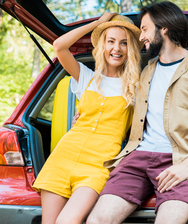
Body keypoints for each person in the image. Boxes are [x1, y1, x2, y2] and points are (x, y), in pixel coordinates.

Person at [87, 1, 188, 224]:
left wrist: (186, 167)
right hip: (137, 159)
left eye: (144, 29)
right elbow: (128, 113)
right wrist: (86, 116)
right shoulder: (147, 72)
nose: (141, 36)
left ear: (164, 27)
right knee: (97, 221)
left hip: (179, 160)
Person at [32, 12, 142, 224]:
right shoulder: (86, 76)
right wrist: (98, 23)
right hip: (63, 156)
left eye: (124, 43)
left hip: (97, 166)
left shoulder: (136, 87)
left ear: (131, 50)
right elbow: (59, 46)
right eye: (110, 41)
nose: (116, 48)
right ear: (102, 44)